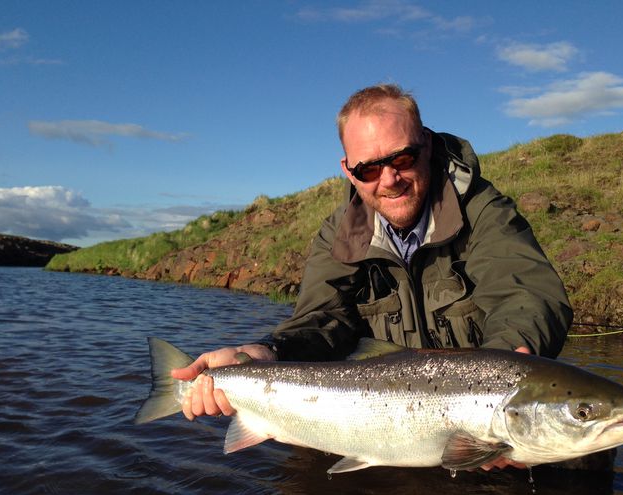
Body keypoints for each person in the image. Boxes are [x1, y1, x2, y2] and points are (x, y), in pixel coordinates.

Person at [172, 84, 573, 470]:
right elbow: (321, 320)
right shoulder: (339, 234)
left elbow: (525, 295)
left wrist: (505, 378)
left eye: (402, 159)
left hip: (479, 423)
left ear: (427, 145)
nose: (389, 179)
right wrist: (262, 354)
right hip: (377, 426)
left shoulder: (483, 211)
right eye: (368, 168)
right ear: (349, 171)